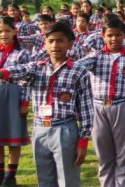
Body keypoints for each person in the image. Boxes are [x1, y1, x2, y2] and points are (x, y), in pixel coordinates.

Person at [0, 22, 93, 187]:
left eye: (60, 40)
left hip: (65, 129)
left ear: (70, 43)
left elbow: (86, 109)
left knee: (67, 179)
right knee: (45, 179)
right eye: (50, 41)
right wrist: (4, 72)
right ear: (45, 43)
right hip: (40, 129)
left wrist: (83, 140)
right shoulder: (37, 68)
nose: (55, 45)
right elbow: (19, 70)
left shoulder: (79, 71)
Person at [74, 18, 125, 187]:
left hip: (123, 107)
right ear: (103, 36)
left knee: (123, 153)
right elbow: (77, 67)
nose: (114, 39)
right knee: (103, 154)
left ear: (124, 35)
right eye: (110, 35)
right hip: (98, 108)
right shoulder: (95, 57)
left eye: (118, 35)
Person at [0, 17, 32, 187]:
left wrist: (24, 101)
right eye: (0, 31)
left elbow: (27, 78)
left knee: (13, 138)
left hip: (13, 96)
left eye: (7, 30)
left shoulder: (23, 53)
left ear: (14, 31)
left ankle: (10, 176)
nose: (3, 34)